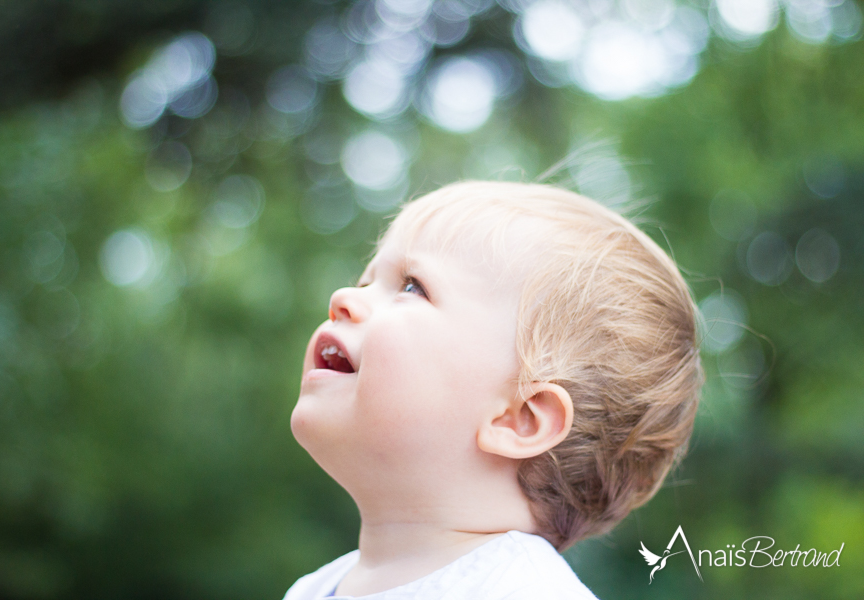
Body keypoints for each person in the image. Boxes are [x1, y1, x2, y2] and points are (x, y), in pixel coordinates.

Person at [285, 181, 703, 599]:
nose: (343, 297)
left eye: (412, 286)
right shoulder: (313, 589)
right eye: (365, 282)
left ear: (519, 418)